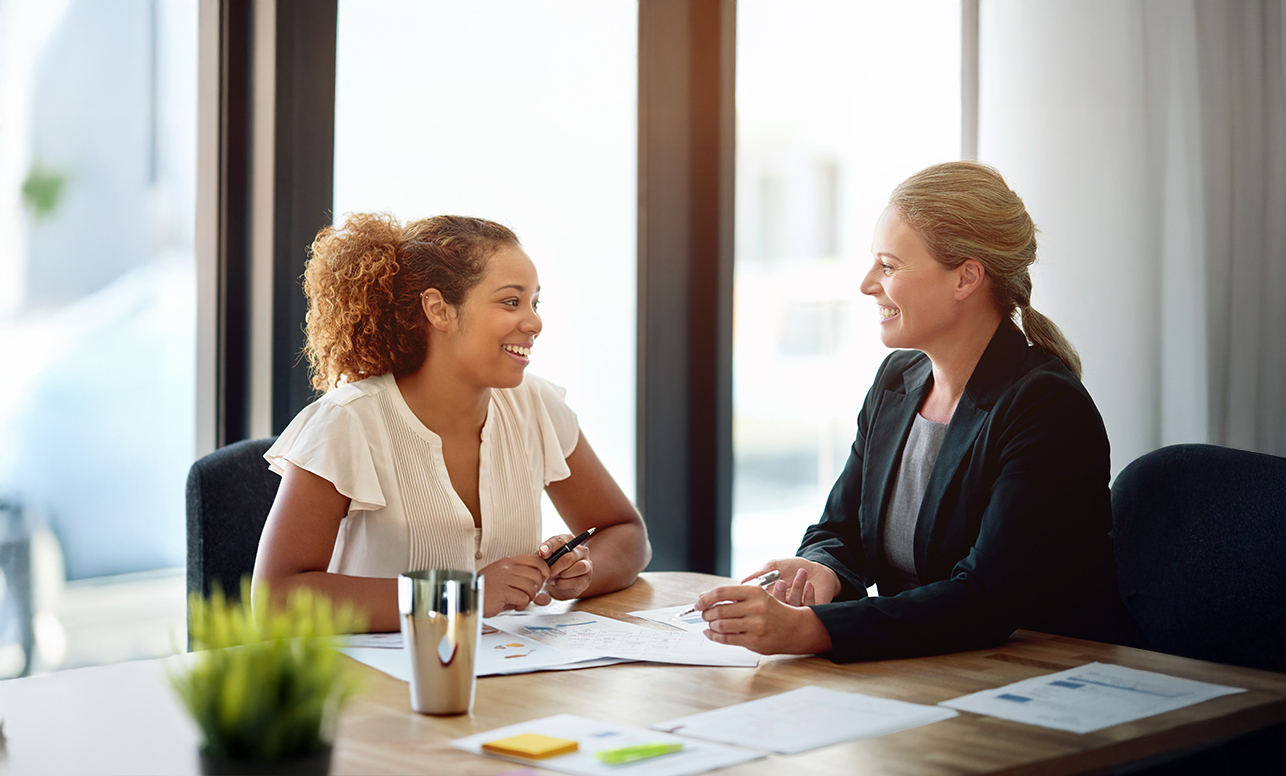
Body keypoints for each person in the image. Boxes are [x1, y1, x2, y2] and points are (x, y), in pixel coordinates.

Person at [696, 161, 1134, 661]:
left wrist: (811, 630)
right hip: (929, 668)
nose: (866, 284)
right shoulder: (897, 381)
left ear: (966, 277)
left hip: (1034, 679)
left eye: (888, 266)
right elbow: (839, 532)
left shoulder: (1045, 408)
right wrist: (822, 568)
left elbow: (986, 599)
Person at [252, 213, 651, 630]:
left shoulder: (535, 404)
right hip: (376, 686)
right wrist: (457, 597)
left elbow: (625, 532)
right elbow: (275, 597)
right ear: (439, 310)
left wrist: (582, 571)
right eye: (511, 301)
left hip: (509, 678)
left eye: (535, 302)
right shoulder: (346, 423)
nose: (534, 322)